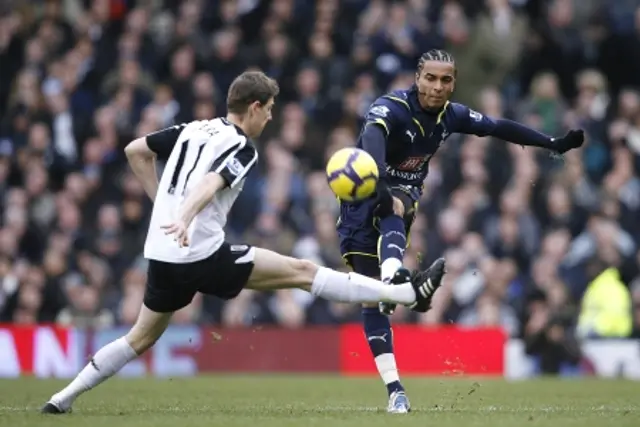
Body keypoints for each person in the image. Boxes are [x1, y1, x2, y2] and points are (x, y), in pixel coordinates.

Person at [41, 70, 446, 414]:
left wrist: (163, 207)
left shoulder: (192, 128)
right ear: (254, 107)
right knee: (303, 272)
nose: (270, 118)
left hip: (162, 256)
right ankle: (407, 293)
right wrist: (181, 215)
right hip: (199, 254)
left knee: (140, 337)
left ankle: (62, 398)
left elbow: (136, 151)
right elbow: (210, 182)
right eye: (269, 110)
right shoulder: (242, 147)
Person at [338, 49, 585, 413]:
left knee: (397, 204)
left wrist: (552, 143)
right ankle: (394, 381)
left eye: (446, 80)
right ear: (417, 78)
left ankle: (394, 283)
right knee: (371, 299)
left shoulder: (450, 115)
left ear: (453, 83)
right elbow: (373, 145)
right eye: (431, 78)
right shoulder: (389, 108)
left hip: (400, 197)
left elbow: (498, 127)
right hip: (360, 200)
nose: (438, 87)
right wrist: (381, 184)